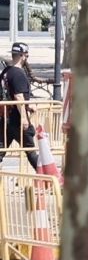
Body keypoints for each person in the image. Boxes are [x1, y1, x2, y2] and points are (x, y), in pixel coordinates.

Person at [2, 42, 37, 171]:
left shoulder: (6, 72)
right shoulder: (18, 73)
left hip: (6, 119)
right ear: (22, 55)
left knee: (1, 150)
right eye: (26, 54)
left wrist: (28, 106)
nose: (27, 57)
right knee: (32, 152)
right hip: (17, 120)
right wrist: (23, 117)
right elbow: (18, 97)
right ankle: (49, 181)